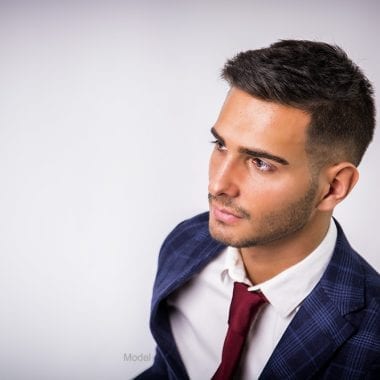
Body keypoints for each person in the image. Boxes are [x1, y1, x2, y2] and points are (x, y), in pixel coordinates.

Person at [136, 40, 380, 379]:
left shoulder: (374, 338)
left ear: (334, 187)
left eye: (261, 163)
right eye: (220, 145)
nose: (218, 185)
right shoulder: (184, 243)